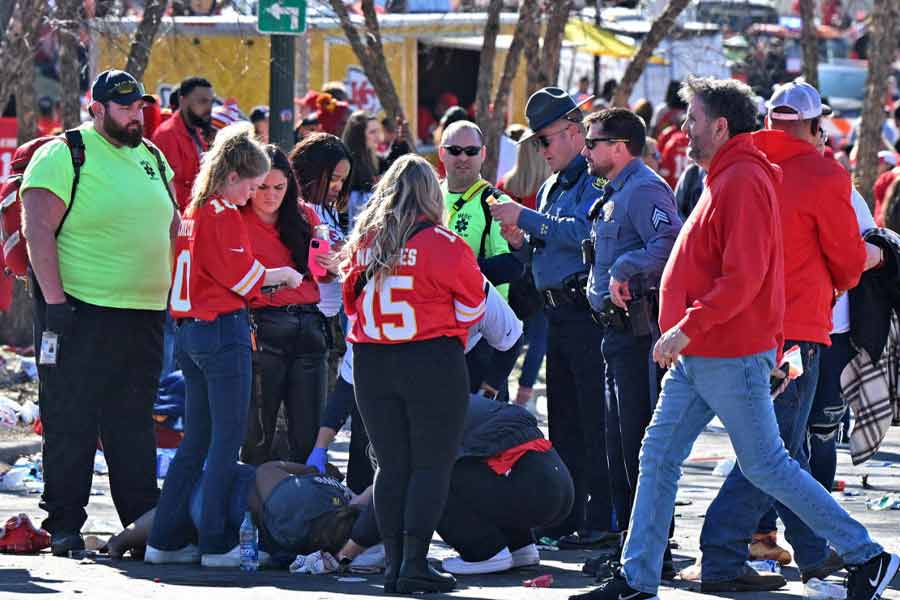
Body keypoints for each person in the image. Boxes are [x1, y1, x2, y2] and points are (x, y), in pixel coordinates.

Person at [571, 76, 899, 600]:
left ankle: (868, 555)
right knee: (659, 455)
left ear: (720, 125)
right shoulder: (730, 174)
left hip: (729, 348)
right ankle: (637, 578)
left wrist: (684, 326)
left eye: (693, 119)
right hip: (709, 349)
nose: (683, 128)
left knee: (766, 463)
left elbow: (744, 277)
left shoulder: (743, 177)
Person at [700, 82, 884, 591]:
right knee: (776, 449)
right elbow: (848, 263)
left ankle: (812, 550)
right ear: (814, 125)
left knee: (785, 448)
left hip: (733, 324)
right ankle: (719, 552)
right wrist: (868, 260)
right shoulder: (824, 173)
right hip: (797, 332)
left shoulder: (737, 163)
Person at [21, 69, 178, 557]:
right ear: (98, 108)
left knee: (133, 421)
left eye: (140, 107)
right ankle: (65, 523)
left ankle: (140, 521)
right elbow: (37, 228)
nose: (137, 115)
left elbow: (172, 222)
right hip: (79, 310)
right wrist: (54, 302)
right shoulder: (65, 152)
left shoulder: (152, 155)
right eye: (126, 107)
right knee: (72, 420)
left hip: (144, 312)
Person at [146, 123, 303, 566]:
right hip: (220, 331)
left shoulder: (193, 212)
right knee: (225, 440)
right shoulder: (220, 213)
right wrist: (286, 276)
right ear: (234, 175)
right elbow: (244, 279)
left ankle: (165, 538)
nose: (253, 195)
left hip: (190, 331)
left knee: (195, 440)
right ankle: (216, 541)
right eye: (252, 185)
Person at [341, 154, 487, 594]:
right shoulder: (444, 244)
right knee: (431, 465)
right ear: (430, 193)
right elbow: (473, 308)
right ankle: (414, 563)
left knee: (391, 465)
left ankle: (394, 563)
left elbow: (351, 307)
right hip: (429, 359)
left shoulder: (364, 242)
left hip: (372, 361)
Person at [490, 87, 615, 547]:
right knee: (563, 421)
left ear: (575, 133)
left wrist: (524, 219)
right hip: (557, 313)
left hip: (587, 314)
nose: (540, 152)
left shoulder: (596, 179)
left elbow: (587, 232)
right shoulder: (549, 185)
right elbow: (542, 254)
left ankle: (600, 519)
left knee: (594, 422)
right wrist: (522, 243)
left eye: (545, 141)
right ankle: (567, 515)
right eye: (537, 144)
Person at [308, 278, 523, 494]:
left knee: (461, 464)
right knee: (373, 448)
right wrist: (320, 447)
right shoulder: (373, 322)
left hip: (473, 357)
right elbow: (347, 387)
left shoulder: (475, 291)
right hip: (417, 360)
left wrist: (486, 393)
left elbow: (512, 342)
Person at [581, 108, 681, 558]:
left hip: (638, 333)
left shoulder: (643, 190)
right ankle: (631, 545)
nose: (586, 150)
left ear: (619, 148)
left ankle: (648, 547)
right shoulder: (616, 190)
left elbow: (669, 243)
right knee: (618, 444)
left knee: (639, 442)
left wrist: (626, 266)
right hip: (613, 333)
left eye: (593, 142)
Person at [105, 461, 379, 568]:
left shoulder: (306, 500)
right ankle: (142, 542)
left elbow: (266, 471)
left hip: (217, 497)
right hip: (239, 530)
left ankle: (123, 541)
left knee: (185, 495)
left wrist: (309, 470)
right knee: (187, 520)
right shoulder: (321, 539)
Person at [240, 145, 330, 466]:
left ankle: (304, 506)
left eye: (280, 187)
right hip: (261, 330)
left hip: (309, 328)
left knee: (307, 436)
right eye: (262, 187)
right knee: (257, 438)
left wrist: (332, 262)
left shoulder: (305, 215)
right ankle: (254, 507)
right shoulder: (237, 216)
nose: (270, 196)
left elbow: (323, 273)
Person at [438, 393, 573, 575]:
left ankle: (483, 553)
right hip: (561, 491)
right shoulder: (460, 399)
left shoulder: (422, 411)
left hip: (534, 492)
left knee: (431, 479)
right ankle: (519, 546)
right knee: (476, 466)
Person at [439, 120, 521, 399]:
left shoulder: (494, 202)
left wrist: (454, 276)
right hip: (437, 335)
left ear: (483, 155)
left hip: (484, 338)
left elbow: (511, 266)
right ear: (442, 153)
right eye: (455, 149)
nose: (463, 157)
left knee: (484, 437)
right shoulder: (429, 197)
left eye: (471, 151)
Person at [289, 133, 353, 391]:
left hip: (328, 321)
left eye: (343, 180)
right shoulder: (298, 208)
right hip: (306, 320)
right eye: (334, 178)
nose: (338, 186)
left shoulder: (329, 210)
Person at [497, 128, 552, 411]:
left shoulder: (504, 186)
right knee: (540, 334)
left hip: (510, 269)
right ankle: (525, 393)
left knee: (510, 333)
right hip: (538, 269)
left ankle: (502, 384)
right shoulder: (549, 190)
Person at [151, 76, 214, 211]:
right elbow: (167, 190)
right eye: (202, 101)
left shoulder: (199, 133)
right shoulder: (167, 135)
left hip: (195, 217)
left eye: (211, 102)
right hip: (178, 221)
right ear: (183, 100)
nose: (209, 108)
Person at [342, 110, 410, 220]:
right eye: (372, 132)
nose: (378, 137)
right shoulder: (347, 164)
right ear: (358, 135)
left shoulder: (373, 159)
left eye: (379, 131)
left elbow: (391, 169)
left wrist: (399, 143)